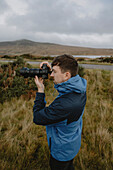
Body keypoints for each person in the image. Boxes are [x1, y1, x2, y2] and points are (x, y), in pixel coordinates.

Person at [33, 54, 87, 170]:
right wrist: (51, 67)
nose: (51, 75)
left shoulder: (64, 105)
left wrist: (40, 91)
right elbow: (67, 79)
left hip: (61, 151)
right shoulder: (80, 86)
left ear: (67, 75)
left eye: (54, 72)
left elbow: (37, 117)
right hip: (72, 142)